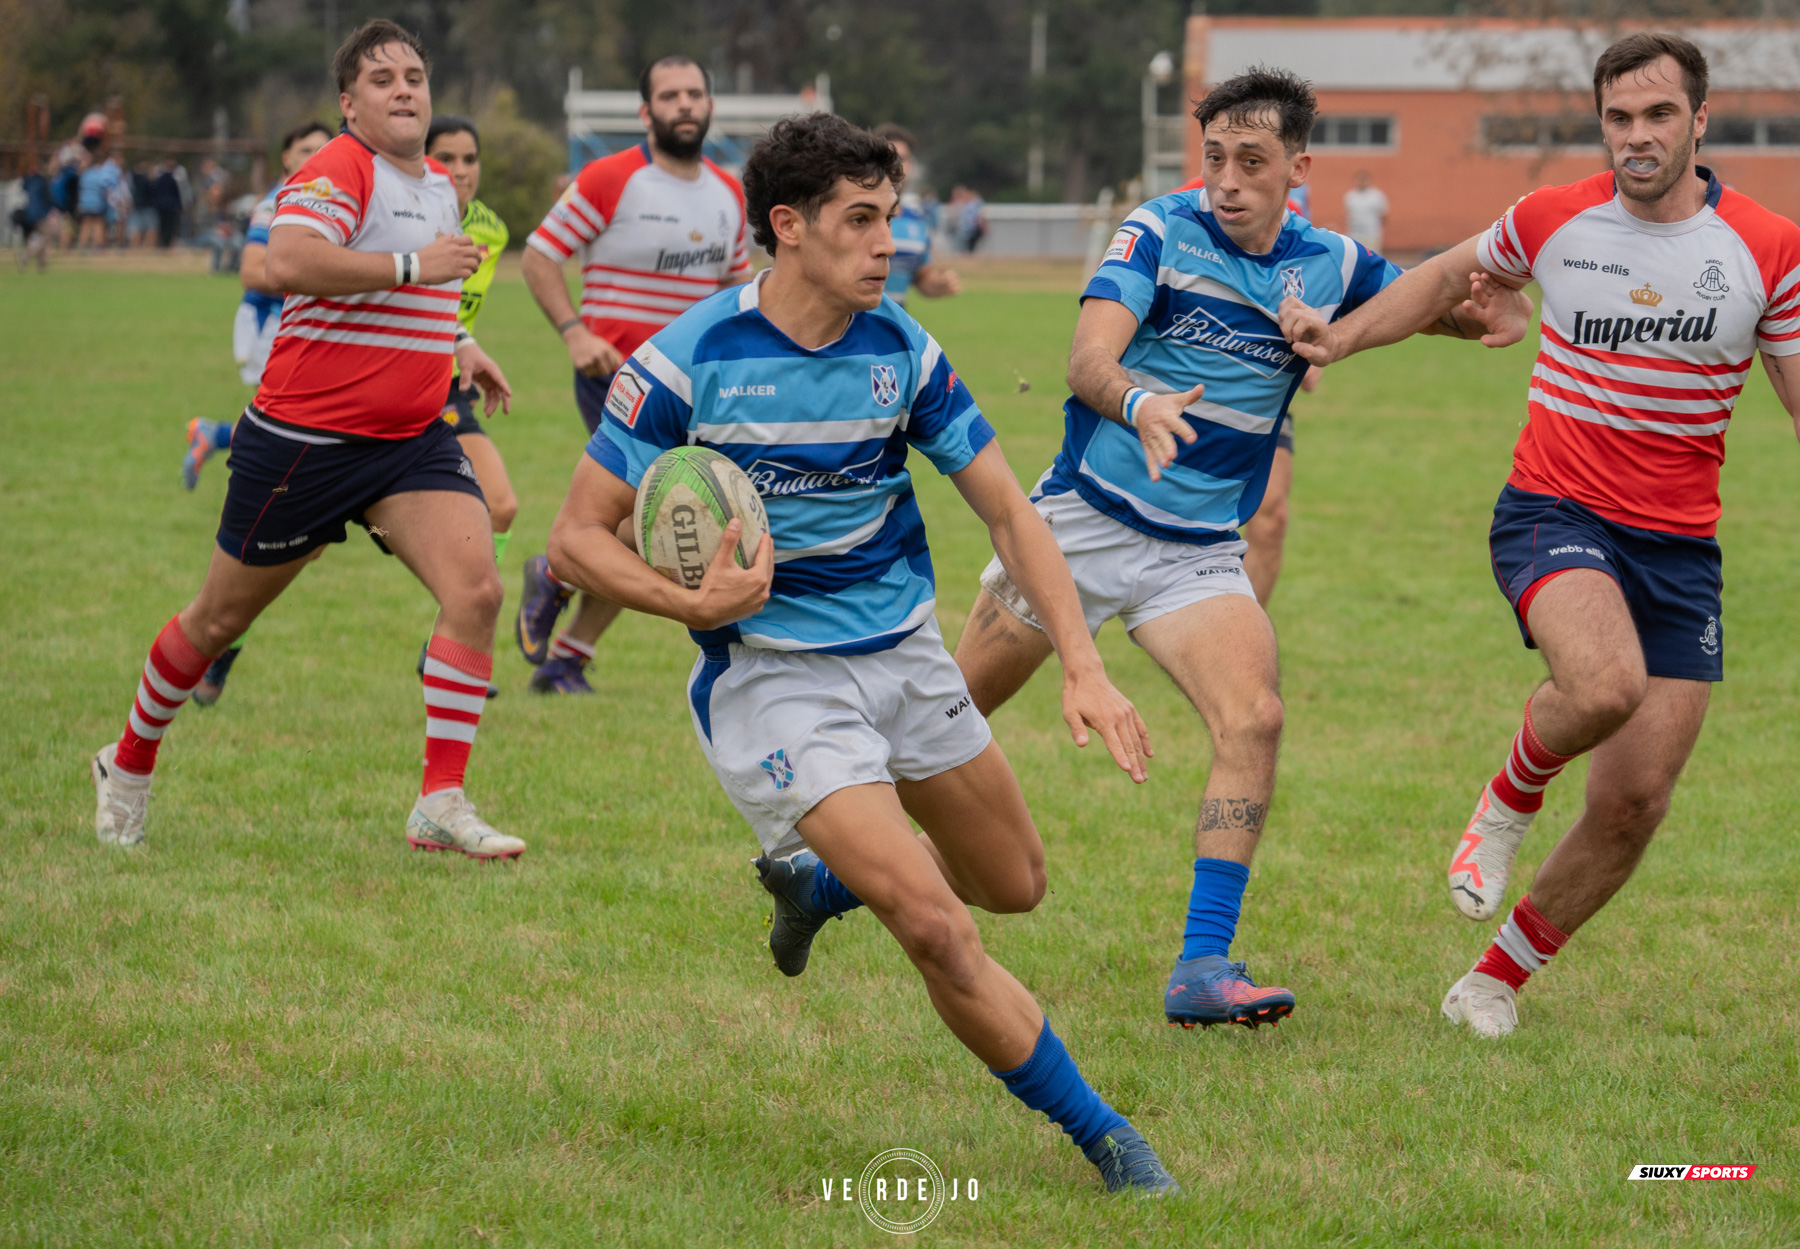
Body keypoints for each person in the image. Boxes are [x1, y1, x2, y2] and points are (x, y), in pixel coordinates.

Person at [545, 113, 1177, 1196]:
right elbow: (573, 540)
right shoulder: (688, 362)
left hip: (907, 658)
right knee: (934, 924)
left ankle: (818, 886)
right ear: (788, 228)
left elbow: (1013, 517)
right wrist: (689, 594)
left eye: (894, 218)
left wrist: (1082, 662)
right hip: (776, 683)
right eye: (863, 221)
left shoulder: (904, 351)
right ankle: (1111, 1140)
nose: (892, 243)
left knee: (1013, 885)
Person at [954, 68, 1532, 1032]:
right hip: (1079, 525)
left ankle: (1202, 965)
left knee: (1254, 719)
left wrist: (1486, 310)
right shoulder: (1159, 230)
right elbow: (1087, 356)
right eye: (1215, 157)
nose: (1227, 179)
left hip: (1195, 551)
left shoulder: (1332, 259)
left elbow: (1436, 306)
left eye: (1252, 162)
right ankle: (828, 868)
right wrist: (1137, 401)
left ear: (1297, 169)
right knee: (948, 719)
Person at [1279, 33, 1800, 1038]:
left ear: (1702, 119)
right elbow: (1443, 279)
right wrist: (1341, 338)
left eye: (1658, 116)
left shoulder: (1769, 248)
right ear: (1599, 122)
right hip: (1555, 512)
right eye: (1618, 118)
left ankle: (1493, 980)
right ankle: (1507, 803)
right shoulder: (1553, 218)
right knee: (1604, 684)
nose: (1636, 136)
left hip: (1681, 549)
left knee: (1635, 801)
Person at [88, 19, 524, 860]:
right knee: (216, 619)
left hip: (408, 440)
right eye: (382, 78)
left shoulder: (440, 185)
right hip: (303, 444)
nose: (404, 89)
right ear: (349, 103)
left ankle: (440, 798)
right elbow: (287, 261)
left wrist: (462, 346)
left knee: (476, 591)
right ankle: (128, 762)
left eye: (414, 76)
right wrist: (411, 269)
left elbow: (424, 294)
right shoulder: (340, 167)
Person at [516, 53, 753, 694]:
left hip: (700, 392)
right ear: (646, 112)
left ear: (709, 106)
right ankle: (562, 598)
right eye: (670, 96)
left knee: (658, 525)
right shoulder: (611, 178)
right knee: (650, 517)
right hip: (619, 380)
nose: (685, 105)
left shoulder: (730, 194)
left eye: (695, 94)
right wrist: (574, 331)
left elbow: (738, 297)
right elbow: (539, 257)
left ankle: (565, 640)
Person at [1174, 171, 1318, 603]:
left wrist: (1307, 341)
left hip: (1257, 392)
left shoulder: (1281, 206)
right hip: (1176, 391)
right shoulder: (1184, 203)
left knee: (1271, 517)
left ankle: (1241, 635)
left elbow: (1297, 279)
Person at [871, 124, 961, 306]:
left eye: (903, 159)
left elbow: (920, 277)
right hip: (852, 325)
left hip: (895, 326)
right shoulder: (852, 217)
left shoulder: (918, 221)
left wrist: (937, 284)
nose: (895, 166)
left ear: (912, 165)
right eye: (888, 158)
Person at [11, 155, 54, 271]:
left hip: (26, 215)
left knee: (37, 239)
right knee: (46, 237)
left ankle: (41, 265)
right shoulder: (40, 181)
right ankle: (27, 254)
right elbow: (48, 198)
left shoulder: (25, 181)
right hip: (38, 215)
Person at [1342, 170, 1388, 253]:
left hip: (1371, 234)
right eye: (1359, 180)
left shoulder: (1376, 196)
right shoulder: (1350, 196)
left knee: (1373, 257)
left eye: (1364, 180)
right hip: (1354, 234)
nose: (1361, 182)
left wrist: (1376, 229)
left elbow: (1383, 215)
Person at [152, 160, 184, 248]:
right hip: (171, 207)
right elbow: (177, 195)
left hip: (161, 207)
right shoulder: (173, 180)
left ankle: (163, 243)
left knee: (163, 227)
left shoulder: (160, 179)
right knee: (170, 227)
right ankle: (167, 244)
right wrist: (180, 206)